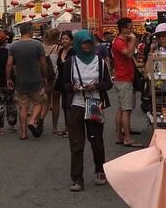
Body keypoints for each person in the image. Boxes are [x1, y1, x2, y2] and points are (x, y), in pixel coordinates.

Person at [58, 30, 113, 191]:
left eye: (89, 43)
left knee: (96, 140)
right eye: (84, 43)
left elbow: (108, 83)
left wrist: (95, 86)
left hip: (95, 103)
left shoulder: (100, 62)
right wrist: (73, 87)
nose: (87, 46)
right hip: (76, 104)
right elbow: (63, 84)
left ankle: (100, 171)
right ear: (78, 44)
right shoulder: (70, 62)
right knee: (76, 143)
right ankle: (77, 179)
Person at [7, 23, 48, 140]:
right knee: (38, 103)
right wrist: (45, 76)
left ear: (20, 31)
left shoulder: (13, 46)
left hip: (20, 80)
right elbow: (43, 63)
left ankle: (23, 133)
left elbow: (9, 64)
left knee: (23, 107)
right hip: (36, 79)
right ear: (30, 31)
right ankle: (32, 120)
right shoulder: (38, 44)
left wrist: (8, 78)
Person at [110, 17, 143, 147]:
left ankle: (120, 135)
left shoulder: (121, 41)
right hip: (123, 79)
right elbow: (128, 54)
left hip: (122, 78)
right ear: (123, 29)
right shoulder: (119, 42)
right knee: (126, 109)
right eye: (130, 27)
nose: (132, 30)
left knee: (122, 108)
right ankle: (127, 138)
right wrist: (133, 40)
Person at [47, 31, 71, 137]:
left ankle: (68, 128)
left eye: (67, 39)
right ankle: (55, 127)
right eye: (63, 39)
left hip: (68, 81)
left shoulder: (73, 52)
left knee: (66, 104)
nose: (64, 41)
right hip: (58, 79)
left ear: (71, 41)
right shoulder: (60, 50)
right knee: (55, 103)